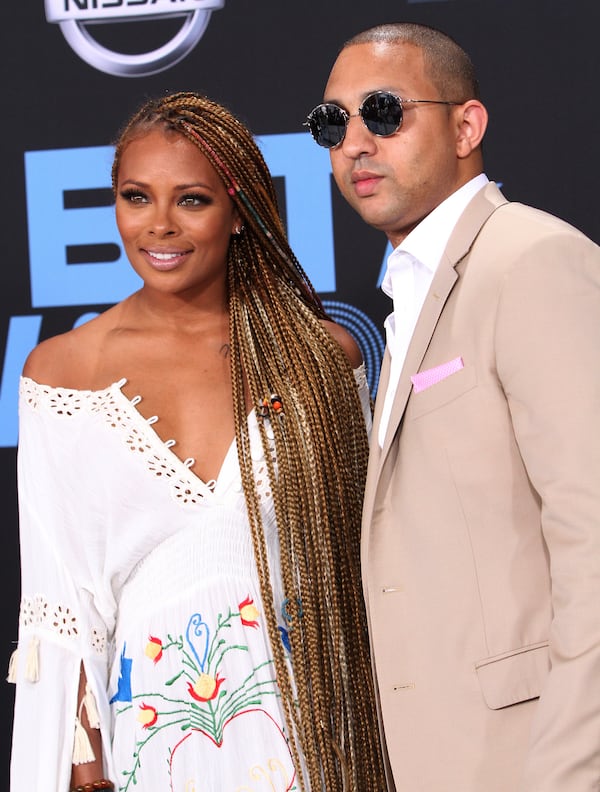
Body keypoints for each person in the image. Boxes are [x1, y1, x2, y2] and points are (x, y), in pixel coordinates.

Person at [8, 91, 388, 791]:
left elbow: (365, 564)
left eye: (191, 200)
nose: (158, 226)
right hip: (153, 740)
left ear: (239, 211)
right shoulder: (62, 372)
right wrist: (87, 770)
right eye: (136, 196)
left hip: (317, 736)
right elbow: (61, 603)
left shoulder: (323, 359)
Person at [305, 21, 600, 792]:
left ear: (467, 125)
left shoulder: (530, 259)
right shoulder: (408, 295)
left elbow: (593, 540)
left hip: (536, 759)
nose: (356, 144)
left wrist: (571, 771)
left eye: (385, 112)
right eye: (333, 124)